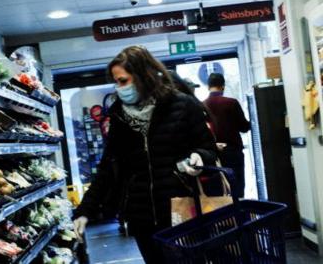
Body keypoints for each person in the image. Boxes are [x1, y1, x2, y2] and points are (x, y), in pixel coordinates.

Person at [72, 46, 217, 264]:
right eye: (116, 82)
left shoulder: (182, 105)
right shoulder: (119, 117)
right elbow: (107, 169)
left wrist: (199, 157)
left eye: (123, 81)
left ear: (143, 77)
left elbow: (208, 148)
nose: (119, 88)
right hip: (142, 217)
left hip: (181, 209)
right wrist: (84, 211)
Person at [203, 73, 250, 198]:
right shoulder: (232, 103)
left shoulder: (202, 105)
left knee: (218, 189)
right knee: (237, 186)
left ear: (208, 87)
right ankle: (239, 213)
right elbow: (244, 127)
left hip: (213, 155)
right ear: (223, 87)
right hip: (233, 151)